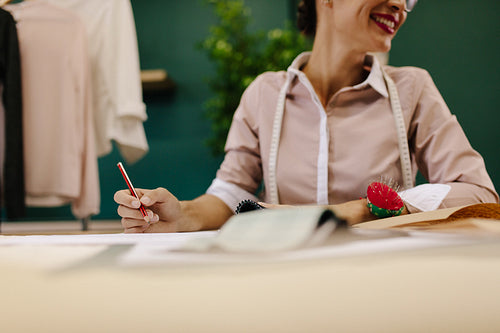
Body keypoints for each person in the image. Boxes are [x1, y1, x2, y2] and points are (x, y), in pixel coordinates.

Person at [114, 0, 498, 233]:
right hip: (286, 280)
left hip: (383, 281)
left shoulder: (413, 89)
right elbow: (231, 194)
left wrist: (359, 208)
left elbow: (480, 194)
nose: (400, 5)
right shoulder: (264, 94)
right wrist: (180, 214)